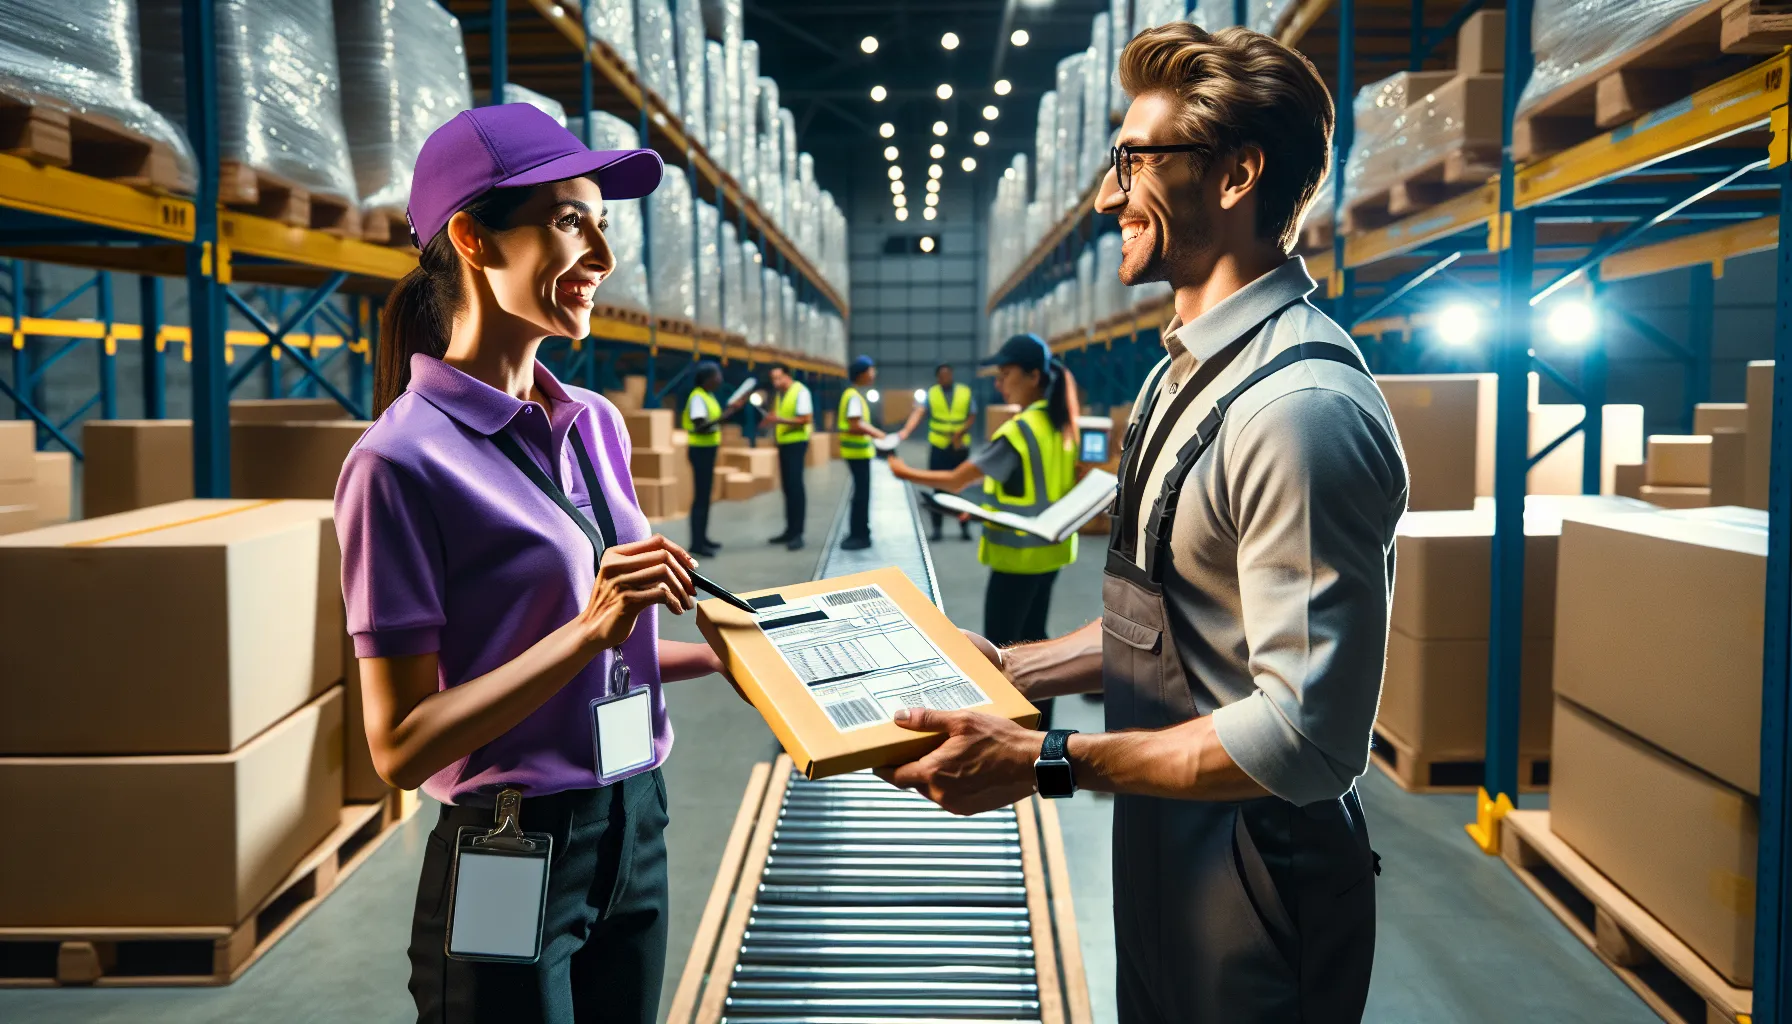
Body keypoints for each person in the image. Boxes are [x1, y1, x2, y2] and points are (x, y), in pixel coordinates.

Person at [877, 24, 1409, 1024]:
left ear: (1237, 173)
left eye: (1133, 162)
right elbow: (1169, 619)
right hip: (1171, 831)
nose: (1106, 196)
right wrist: (1015, 667)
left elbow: (1304, 737)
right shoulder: (1182, 376)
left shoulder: (1297, 409)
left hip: (1261, 868)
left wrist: (1045, 759)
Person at [335, 104, 729, 1024]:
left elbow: (592, 659)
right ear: (474, 238)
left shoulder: (592, 422)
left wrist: (723, 654)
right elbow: (401, 745)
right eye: (569, 220)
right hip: (509, 846)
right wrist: (594, 623)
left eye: (602, 221)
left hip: (637, 818)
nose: (603, 253)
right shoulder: (397, 464)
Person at [889, 335, 1076, 730]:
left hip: (1017, 558)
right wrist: (979, 511)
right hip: (1051, 553)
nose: (999, 383)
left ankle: (1010, 737)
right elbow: (1029, 488)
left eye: (1006, 374)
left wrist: (905, 473)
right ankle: (1040, 734)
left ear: (1033, 376)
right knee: (1038, 645)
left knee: (1003, 653)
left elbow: (958, 479)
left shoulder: (1020, 429)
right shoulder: (1058, 422)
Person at [681, 361, 748, 557]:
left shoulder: (708, 396)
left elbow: (712, 422)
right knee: (701, 497)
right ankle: (697, 544)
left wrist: (730, 411)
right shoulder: (697, 398)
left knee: (705, 495)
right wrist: (727, 414)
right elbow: (701, 426)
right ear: (708, 379)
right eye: (717, 375)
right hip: (700, 451)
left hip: (708, 450)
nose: (720, 379)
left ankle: (703, 538)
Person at [912, 363, 976, 541]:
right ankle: (937, 529)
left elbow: (972, 414)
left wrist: (960, 433)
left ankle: (964, 528)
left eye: (948, 374)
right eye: (942, 375)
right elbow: (920, 412)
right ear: (937, 377)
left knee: (961, 488)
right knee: (938, 488)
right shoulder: (932, 394)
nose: (946, 377)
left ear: (952, 375)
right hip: (938, 446)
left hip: (959, 447)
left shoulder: (964, 392)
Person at [837, 355, 889, 550]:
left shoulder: (854, 395)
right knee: (861, 495)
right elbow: (855, 425)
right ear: (861, 374)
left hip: (857, 454)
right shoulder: (853, 397)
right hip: (857, 454)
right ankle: (859, 535)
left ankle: (860, 532)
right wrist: (879, 434)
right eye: (871, 370)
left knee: (861, 493)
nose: (873, 374)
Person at [760, 363, 812, 550]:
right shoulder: (781, 395)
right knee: (788, 488)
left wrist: (778, 420)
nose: (776, 382)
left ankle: (798, 534)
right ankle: (790, 530)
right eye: (773, 378)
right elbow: (780, 418)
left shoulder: (800, 392)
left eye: (779, 378)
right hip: (784, 444)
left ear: (788, 376)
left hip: (796, 444)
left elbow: (805, 419)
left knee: (796, 488)